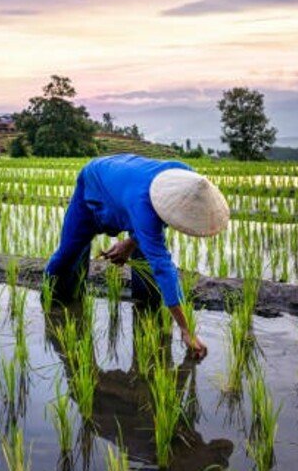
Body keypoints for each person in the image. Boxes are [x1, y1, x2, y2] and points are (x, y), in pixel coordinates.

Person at [44, 153, 229, 359]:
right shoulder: (142, 205)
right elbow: (163, 266)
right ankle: (50, 298)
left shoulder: (188, 180)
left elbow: (164, 215)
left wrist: (130, 242)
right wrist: (186, 330)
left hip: (126, 185)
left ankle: (146, 305)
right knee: (68, 254)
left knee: (145, 252)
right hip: (94, 182)